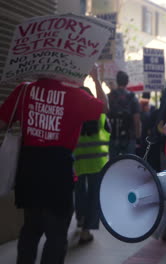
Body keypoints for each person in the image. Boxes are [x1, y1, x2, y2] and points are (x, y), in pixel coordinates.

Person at [0, 65, 108, 264]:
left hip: (29, 170)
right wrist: (96, 78)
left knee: (30, 229)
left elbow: (2, 122)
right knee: (56, 235)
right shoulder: (75, 95)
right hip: (58, 172)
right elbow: (104, 107)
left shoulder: (24, 90)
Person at [73, 86, 111, 245]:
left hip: (78, 163)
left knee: (80, 192)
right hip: (98, 164)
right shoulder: (101, 117)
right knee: (94, 196)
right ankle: (86, 231)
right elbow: (105, 106)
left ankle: (81, 218)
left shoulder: (74, 117)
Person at [107, 71, 141, 158]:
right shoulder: (132, 97)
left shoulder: (109, 96)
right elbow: (136, 120)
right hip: (129, 137)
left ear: (117, 81)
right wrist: (137, 138)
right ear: (127, 82)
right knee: (128, 164)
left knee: (113, 165)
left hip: (113, 135)